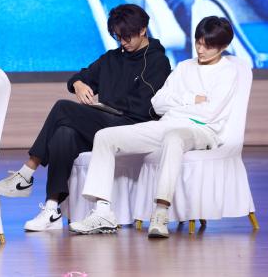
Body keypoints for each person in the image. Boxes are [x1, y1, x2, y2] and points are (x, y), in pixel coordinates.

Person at [0, 4, 171, 232]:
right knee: (63, 134)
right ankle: (52, 209)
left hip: (133, 127)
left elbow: (144, 109)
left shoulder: (158, 62)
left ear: (143, 30)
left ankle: (26, 173)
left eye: (127, 37)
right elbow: (80, 76)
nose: (122, 42)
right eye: (118, 37)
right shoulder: (112, 58)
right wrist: (78, 84)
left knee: (63, 108)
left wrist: (105, 108)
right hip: (107, 124)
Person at [70, 17, 237, 238]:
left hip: (202, 130)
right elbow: (158, 103)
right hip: (167, 124)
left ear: (223, 47)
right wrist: (192, 99)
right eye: (198, 42)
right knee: (105, 136)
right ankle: (103, 213)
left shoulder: (229, 72)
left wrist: (179, 103)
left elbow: (210, 113)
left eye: (208, 46)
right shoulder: (184, 67)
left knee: (174, 138)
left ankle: (160, 212)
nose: (200, 50)